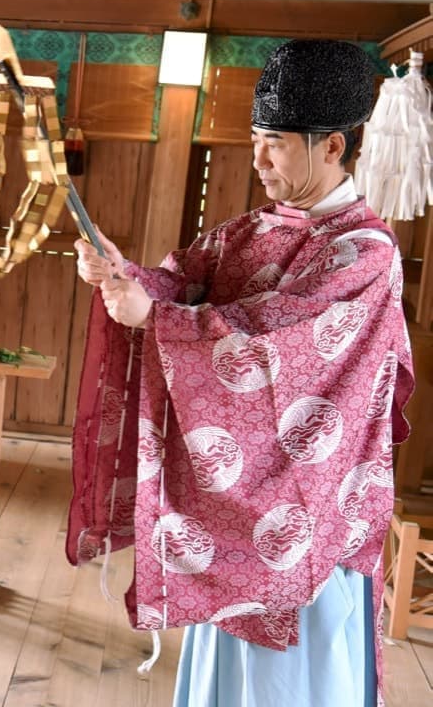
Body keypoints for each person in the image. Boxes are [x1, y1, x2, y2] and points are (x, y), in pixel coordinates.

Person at [67, 40, 415, 706]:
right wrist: (125, 276)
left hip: (313, 512)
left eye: (275, 143)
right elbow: (180, 282)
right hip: (235, 513)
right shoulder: (249, 230)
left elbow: (278, 341)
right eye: (255, 139)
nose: (257, 158)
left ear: (334, 147)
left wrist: (156, 318)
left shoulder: (365, 252)